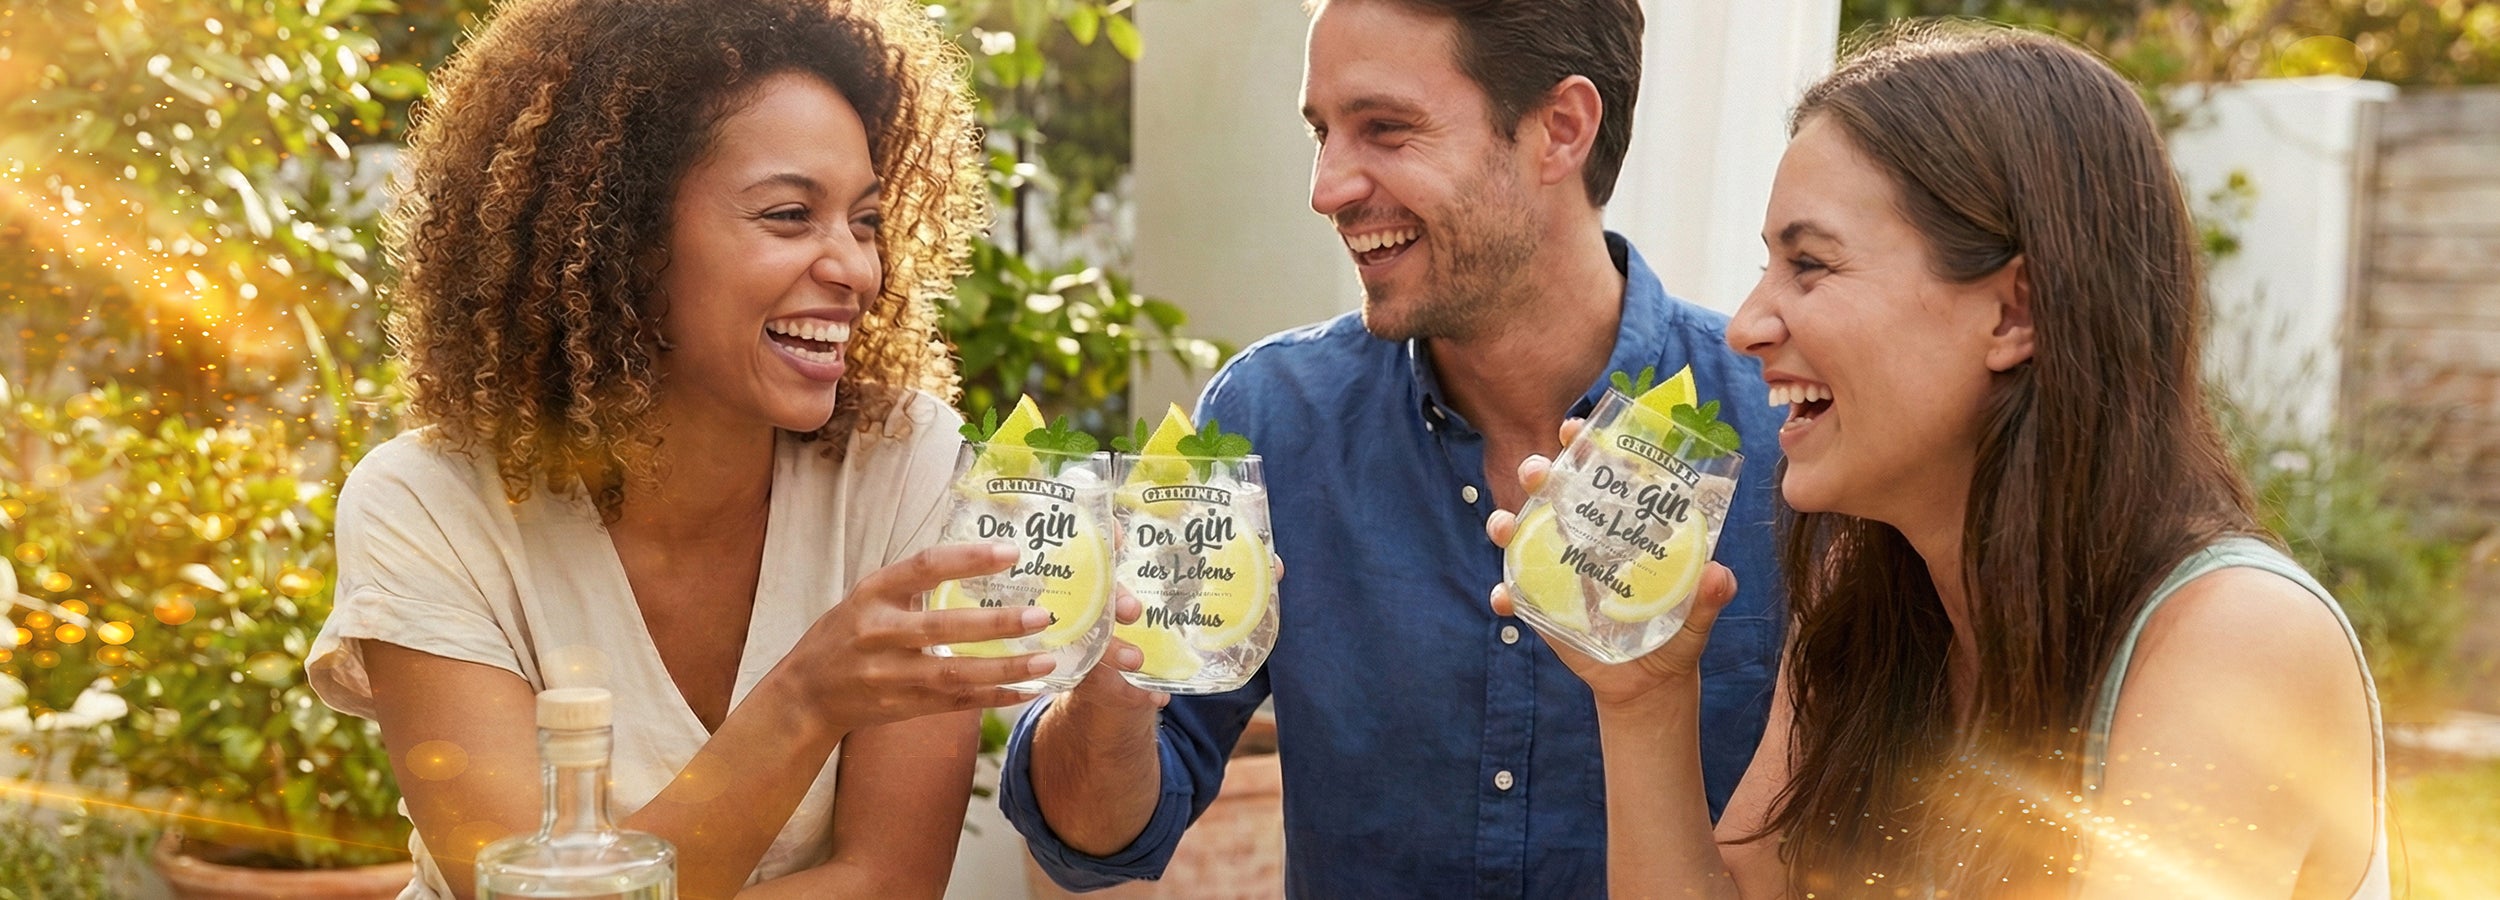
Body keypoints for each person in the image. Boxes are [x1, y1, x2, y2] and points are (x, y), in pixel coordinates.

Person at [1488, 21, 2388, 899]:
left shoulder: (2239, 642)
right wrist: (1642, 701)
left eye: (1811, 264)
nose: (1747, 325)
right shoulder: (1869, 598)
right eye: (1769, 265)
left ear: (2014, 313)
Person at [999, 0, 1787, 894]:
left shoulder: (1781, 437)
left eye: (1385, 129)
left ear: (1561, 129)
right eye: (1322, 133)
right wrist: (1107, 691)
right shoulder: (1272, 418)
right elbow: (1095, 843)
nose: (1327, 189)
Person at [304, 1, 1054, 896]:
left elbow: (889, 882)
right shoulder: (429, 507)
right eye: (789, 215)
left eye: (864, 221)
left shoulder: (902, 465)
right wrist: (806, 699)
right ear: (623, 237)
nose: (856, 269)